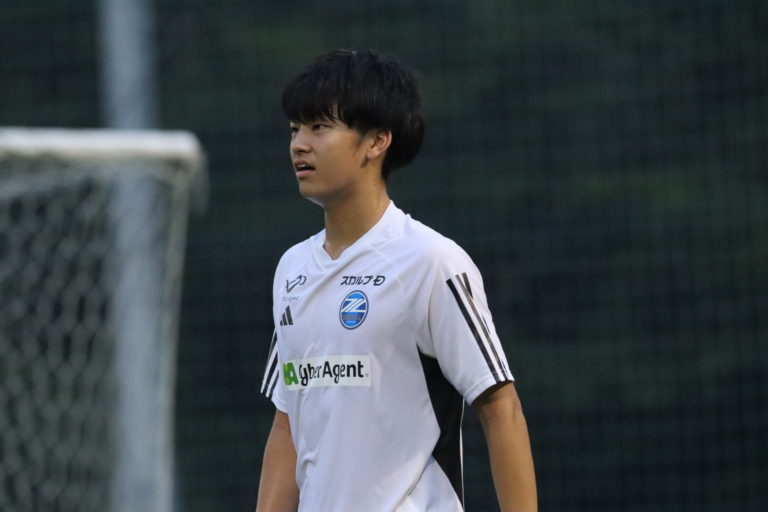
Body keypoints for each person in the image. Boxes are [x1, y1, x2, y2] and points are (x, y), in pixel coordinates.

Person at [256, 49, 537, 512]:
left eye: (319, 127)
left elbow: (500, 407)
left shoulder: (431, 262)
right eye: (294, 129)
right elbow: (288, 423)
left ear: (377, 141)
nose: (299, 145)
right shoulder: (292, 269)